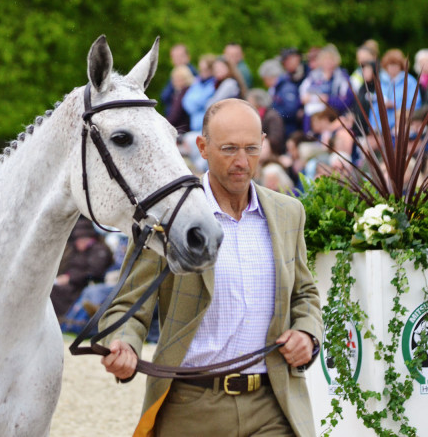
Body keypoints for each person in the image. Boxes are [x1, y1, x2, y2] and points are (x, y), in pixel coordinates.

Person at [99, 98, 322, 437]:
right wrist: (123, 343)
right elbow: (128, 304)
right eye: (229, 149)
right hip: (189, 406)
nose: (241, 161)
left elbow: (304, 293)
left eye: (250, 148)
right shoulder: (165, 217)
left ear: (264, 142)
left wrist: (307, 332)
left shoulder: (288, 212)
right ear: (202, 147)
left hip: (272, 403)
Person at [50, 217, 113, 323]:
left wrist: (70, 278)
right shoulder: (75, 250)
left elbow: (95, 272)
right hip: (71, 283)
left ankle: (65, 321)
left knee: (55, 292)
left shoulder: (99, 250)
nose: (78, 243)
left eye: (81, 240)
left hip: (82, 285)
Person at [299, 44, 353, 133]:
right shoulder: (312, 77)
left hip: (334, 116)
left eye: (331, 59)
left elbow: (346, 101)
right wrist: (306, 99)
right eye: (325, 59)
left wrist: (328, 99)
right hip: (312, 115)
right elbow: (302, 96)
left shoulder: (342, 78)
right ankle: (310, 135)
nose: (328, 62)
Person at [369, 49, 422, 133]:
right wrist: (373, 126)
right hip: (381, 127)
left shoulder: (410, 81)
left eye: (395, 65)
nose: (393, 68)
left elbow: (415, 103)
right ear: (386, 66)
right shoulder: (381, 81)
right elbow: (375, 105)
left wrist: (395, 105)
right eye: (390, 65)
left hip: (401, 126)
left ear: (401, 66)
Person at [259, 58, 301, 139]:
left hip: (288, 130)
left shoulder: (287, 88)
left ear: (270, 76)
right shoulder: (276, 89)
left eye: (264, 79)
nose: (264, 83)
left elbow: (291, 112)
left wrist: (273, 112)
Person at [181, 53, 217, 133]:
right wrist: (196, 103)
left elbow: (201, 100)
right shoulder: (197, 81)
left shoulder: (214, 84)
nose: (202, 72)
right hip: (194, 125)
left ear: (212, 70)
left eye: (205, 70)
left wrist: (194, 101)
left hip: (208, 126)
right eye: (200, 69)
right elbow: (185, 101)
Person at [160, 44, 197, 116]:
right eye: (175, 57)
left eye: (180, 56)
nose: (178, 60)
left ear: (188, 57)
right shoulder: (175, 72)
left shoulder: (191, 73)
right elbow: (164, 96)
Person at [165, 65, 194, 135]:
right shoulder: (178, 92)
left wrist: (164, 124)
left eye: (179, 79)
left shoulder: (184, 92)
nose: (176, 81)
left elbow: (176, 114)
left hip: (182, 129)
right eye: (175, 79)